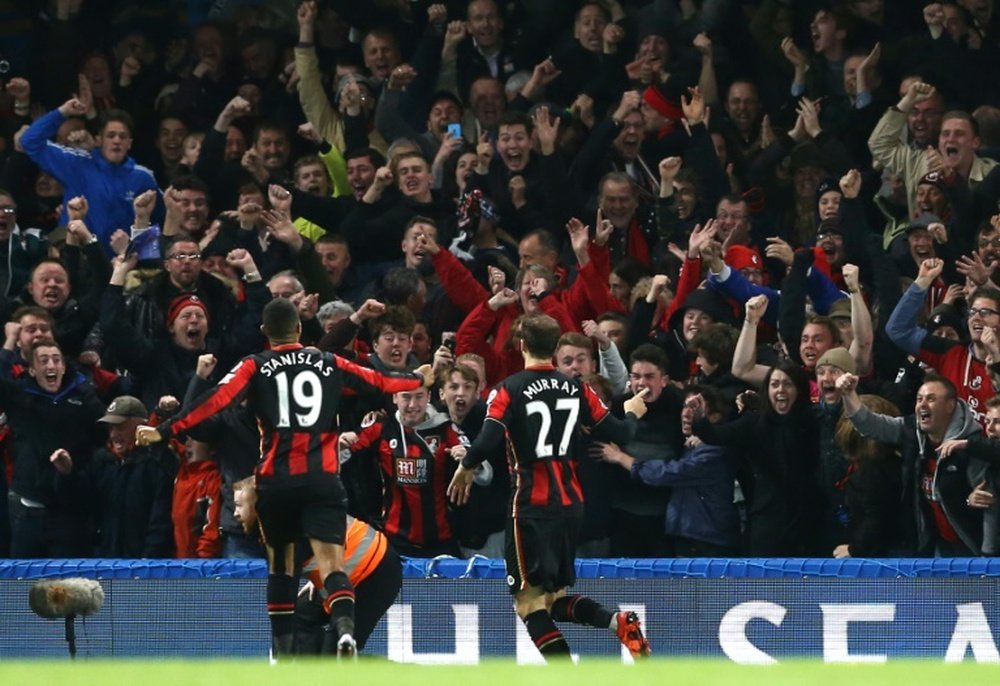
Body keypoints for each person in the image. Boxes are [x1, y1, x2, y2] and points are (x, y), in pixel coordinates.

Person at [137, 298, 433, 659]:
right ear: (298, 329)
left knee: (280, 570)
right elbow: (378, 379)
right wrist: (417, 378)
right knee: (332, 564)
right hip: (322, 481)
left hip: (276, 483)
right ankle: (344, 632)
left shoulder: (255, 366)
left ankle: (282, 653)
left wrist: (164, 431)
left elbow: (214, 401)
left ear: (264, 333)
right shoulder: (329, 363)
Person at [447, 313, 651, 661]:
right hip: (571, 504)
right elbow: (623, 433)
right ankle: (619, 622)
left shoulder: (508, 389)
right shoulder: (578, 388)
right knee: (552, 600)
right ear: (555, 349)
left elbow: (488, 438)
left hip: (529, 507)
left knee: (527, 604)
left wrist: (466, 467)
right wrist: (631, 411)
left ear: (522, 345)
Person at [233, 477, 402, 654]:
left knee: (333, 657)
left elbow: (284, 598)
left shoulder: (284, 531)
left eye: (239, 505)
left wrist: (278, 654)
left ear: (256, 505)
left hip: (375, 575)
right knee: (302, 617)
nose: (235, 513)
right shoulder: (285, 515)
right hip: (357, 570)